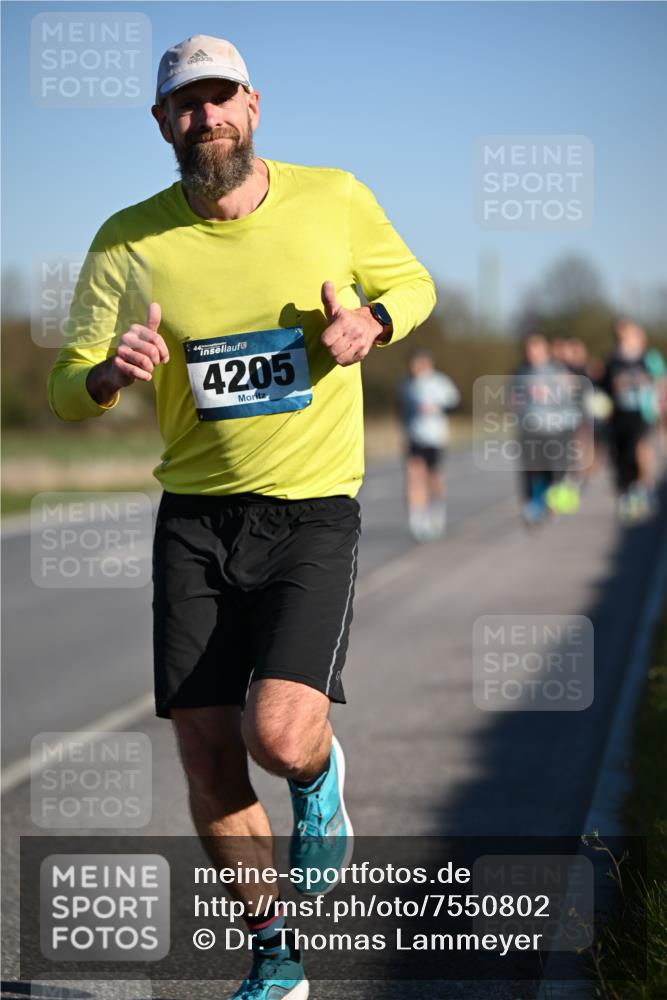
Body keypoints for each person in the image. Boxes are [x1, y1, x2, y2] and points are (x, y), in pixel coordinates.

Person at [47, 34, 435, 1000]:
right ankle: (277, 957)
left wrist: (371, 324)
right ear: (161, 121)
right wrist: (105, 376)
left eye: (221, 98)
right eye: (186, 103)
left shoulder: (334, 197)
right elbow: (64, 384)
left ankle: (317, 780)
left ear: (253, 106)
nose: (205, 117)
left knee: (277, 735)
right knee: (207, 755)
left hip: (310, 511)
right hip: (194, 519)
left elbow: (413, 284)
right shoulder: (127, 240)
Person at [511, 334, 583, 526]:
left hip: (553, 428)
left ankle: (553, 503)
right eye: (529, 349)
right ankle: (535, 504)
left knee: (553, 469)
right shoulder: (521, 371)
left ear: (545, 350)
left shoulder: (558, 371)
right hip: (529, 427)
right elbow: (514, 398)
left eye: (536, 348)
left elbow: (570, 400)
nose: (532, 353)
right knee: (532, 469)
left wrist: (549, 395)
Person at [600, 319, 660, 521]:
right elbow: (603, 390)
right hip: (619, 417)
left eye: (629, 335)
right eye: (621, 336)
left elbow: (661, 380)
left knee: (641, 450)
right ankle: (627, 493)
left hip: (642, 414)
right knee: (623, 459)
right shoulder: (612, 361)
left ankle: (644, 489)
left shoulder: (648, 358)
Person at [399, 348, 460, 540]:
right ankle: (418, 521)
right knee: (414, 475)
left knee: (433, 478)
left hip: (435, 437)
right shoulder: (406, 384)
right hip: (414, 437)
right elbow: (402, 409)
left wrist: (437, 407)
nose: (415, 368)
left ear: (427, 363)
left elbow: (455, 403)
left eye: (419, 364)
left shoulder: (439, 382)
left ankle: (437, 514)